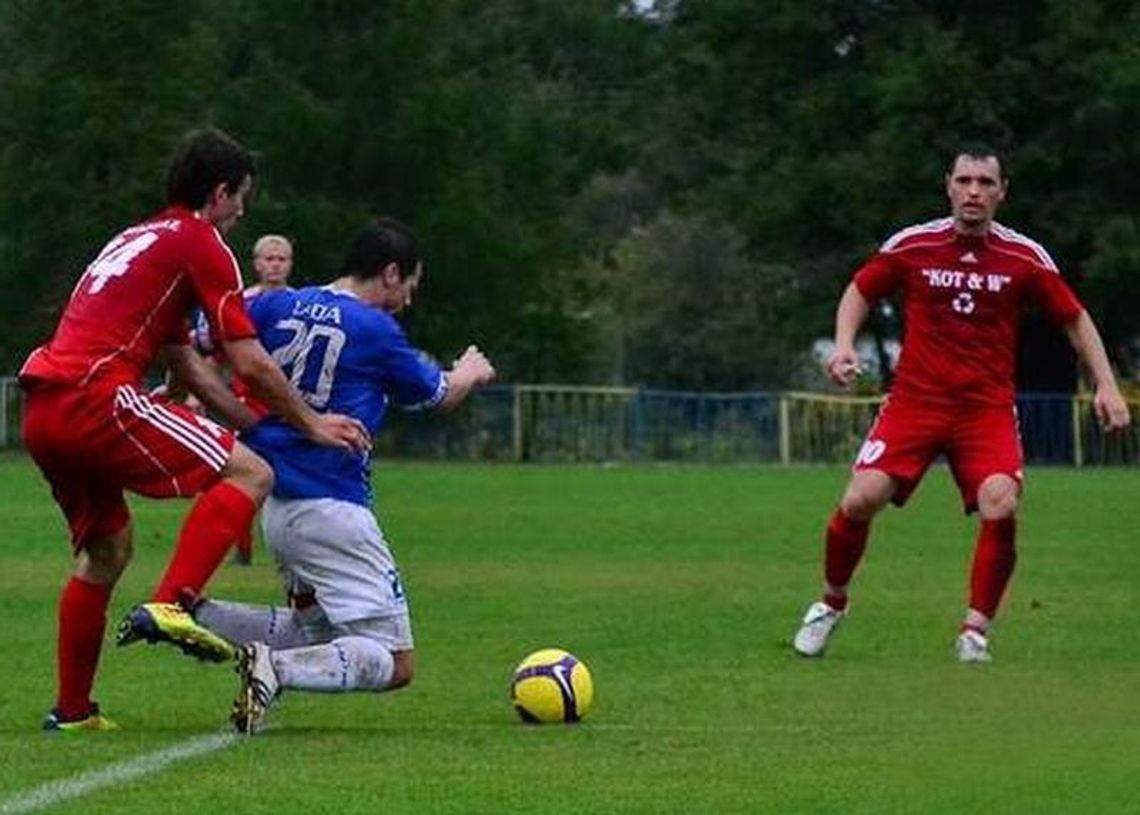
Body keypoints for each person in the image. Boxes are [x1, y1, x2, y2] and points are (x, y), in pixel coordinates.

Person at [19, 128, 370, 732]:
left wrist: (259, 425)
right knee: (251, 473)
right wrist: (310, 423)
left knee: (107, 552)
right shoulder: (201, 242)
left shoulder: (136, 237)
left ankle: (73, 712)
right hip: (95, 396)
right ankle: (171, 602)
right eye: (242, 198)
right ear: (221, 191)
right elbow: (249, 362)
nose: (243, 212)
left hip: (44, 407)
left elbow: (186, 367)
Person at [792, 144, 1131, 664]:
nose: (975, 192)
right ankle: (830, 603)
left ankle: (974, 633)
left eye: (986, 183)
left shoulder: (1024, 256)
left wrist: (1105, 385)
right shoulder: (914, 245)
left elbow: (1074, 318)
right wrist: (841, 345)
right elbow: (860, 290)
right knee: (861, 499)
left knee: (1002, 501)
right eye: (966, 180)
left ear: (1001, 192)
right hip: (916, 402)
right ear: (948, 184)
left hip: (985, 409)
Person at [161, 218, 494, 734]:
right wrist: (469, 372)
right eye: (409, 285)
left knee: (314, 625)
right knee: (396, 661)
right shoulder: (376, 330)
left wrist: (206, 395)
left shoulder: (274, 303)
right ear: (389, 274)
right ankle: (276, 669)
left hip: (275, 503)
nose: (407, 298)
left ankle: (194, 618)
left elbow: (190, 337)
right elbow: (439, 394)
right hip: (333, 506)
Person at [188, 233, 295, 564]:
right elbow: (212, 353)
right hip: (246, 406)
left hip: (290, 405)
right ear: (257, 263)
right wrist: (195, 392)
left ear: (290, 264)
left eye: (282, 259)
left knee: (287, 480)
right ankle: (241, 548)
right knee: (239, 474)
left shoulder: (303, 303)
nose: (275, 265)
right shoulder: (240, 303)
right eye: (269, 258)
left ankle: (292, 546)